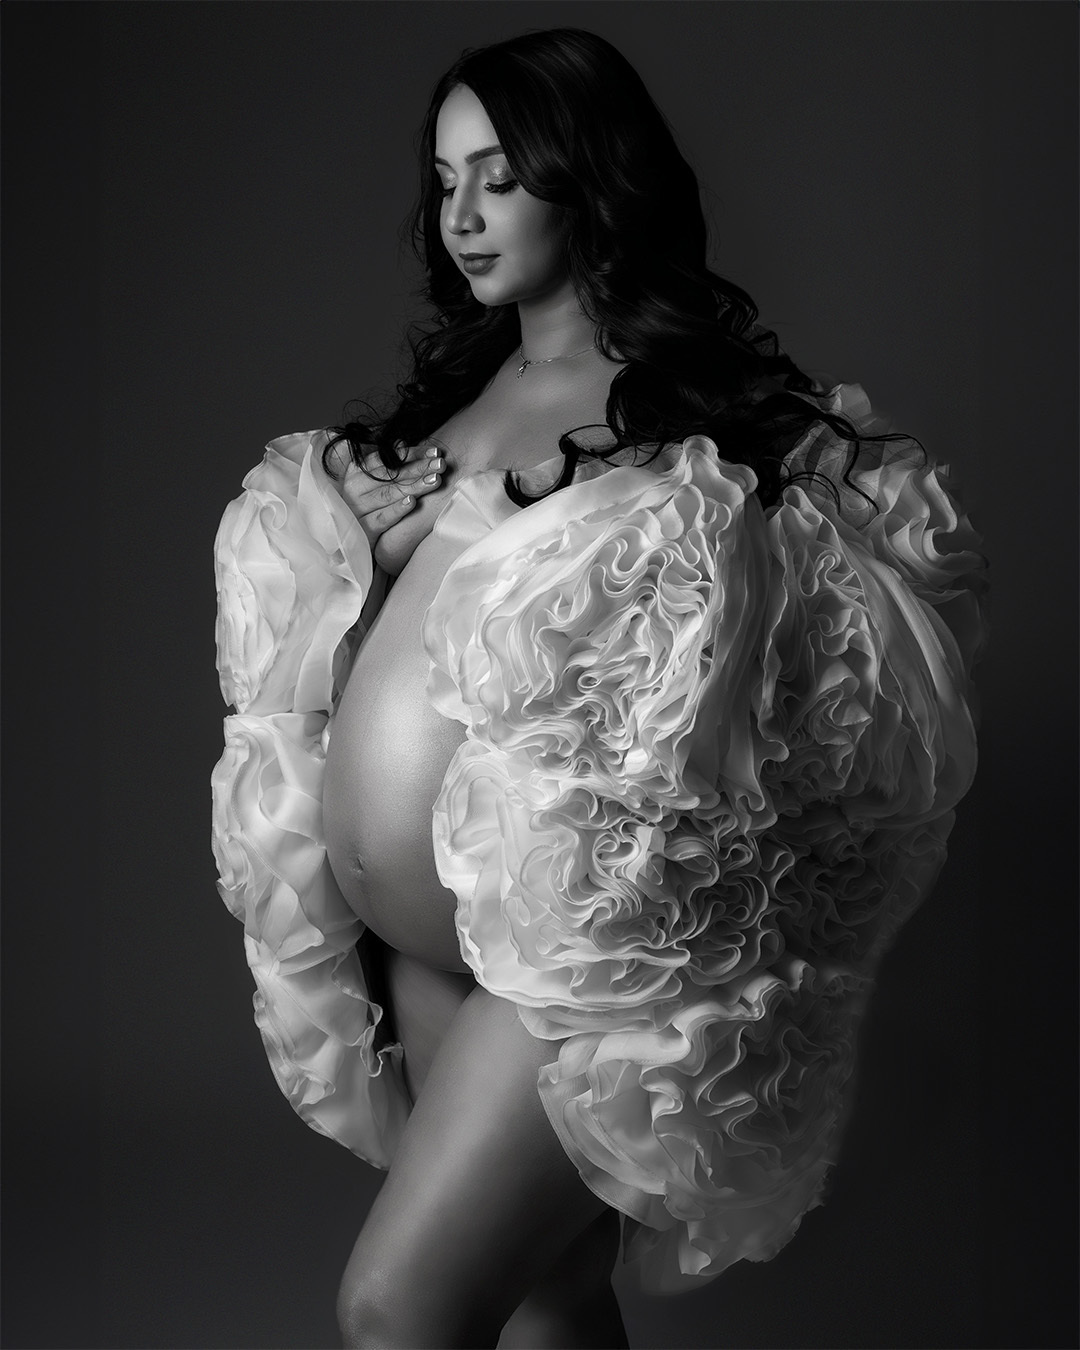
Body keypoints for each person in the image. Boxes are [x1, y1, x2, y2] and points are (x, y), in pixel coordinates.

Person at [211, 27, 987, 1350]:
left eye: (500, 177)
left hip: (572, 956)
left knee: (400, 1310)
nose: (461, 215)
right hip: (420, 944)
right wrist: (355, 548)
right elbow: (361, 643)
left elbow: (826, 644)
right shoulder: (459, 395)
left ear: (589, 176)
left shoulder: (689, 412)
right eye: (444, 180)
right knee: (551, 1297)